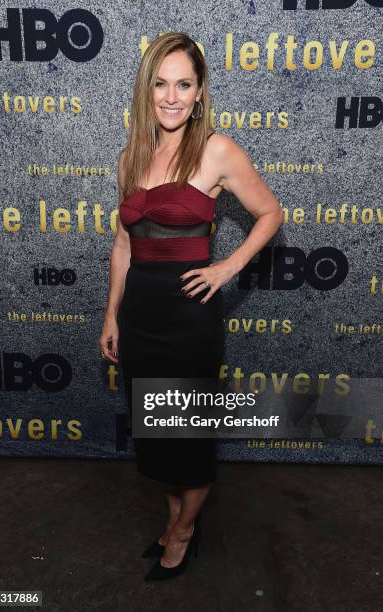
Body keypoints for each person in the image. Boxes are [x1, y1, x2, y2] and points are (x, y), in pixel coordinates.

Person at [99, 32, 284, 581]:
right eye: (161, 84)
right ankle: (175, 517)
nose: (172, 96)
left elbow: (271, 213)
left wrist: (227, 267)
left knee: (188, 440)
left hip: (188, 321)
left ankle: (183, 531)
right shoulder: (131, 155)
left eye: (184, 84)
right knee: (156, 435)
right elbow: (124, 244)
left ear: (200, 91)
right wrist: (111, 314)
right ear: (146, 90)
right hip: (140, 319)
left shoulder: (216, 150)